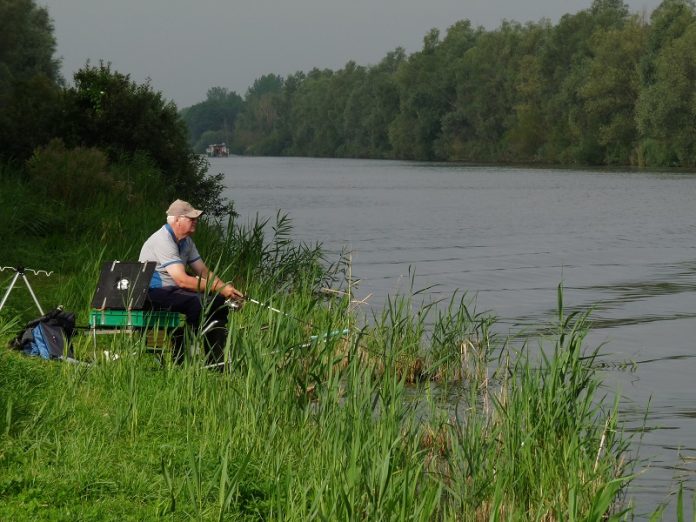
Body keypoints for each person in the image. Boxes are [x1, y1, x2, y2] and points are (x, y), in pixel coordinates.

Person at [139, 199, 244, 364]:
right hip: (153, 292)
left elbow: (202, 271)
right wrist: (217, 288)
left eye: (196, 218)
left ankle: (215, 361)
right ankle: (181, 353)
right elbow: (181, 280)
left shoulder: (186, 241)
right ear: (176, 220)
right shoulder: (163, 240)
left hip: (172, 291)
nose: (195, 222)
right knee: (197, 303)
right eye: (191, 219)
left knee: (218, 301)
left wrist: (225, 289)